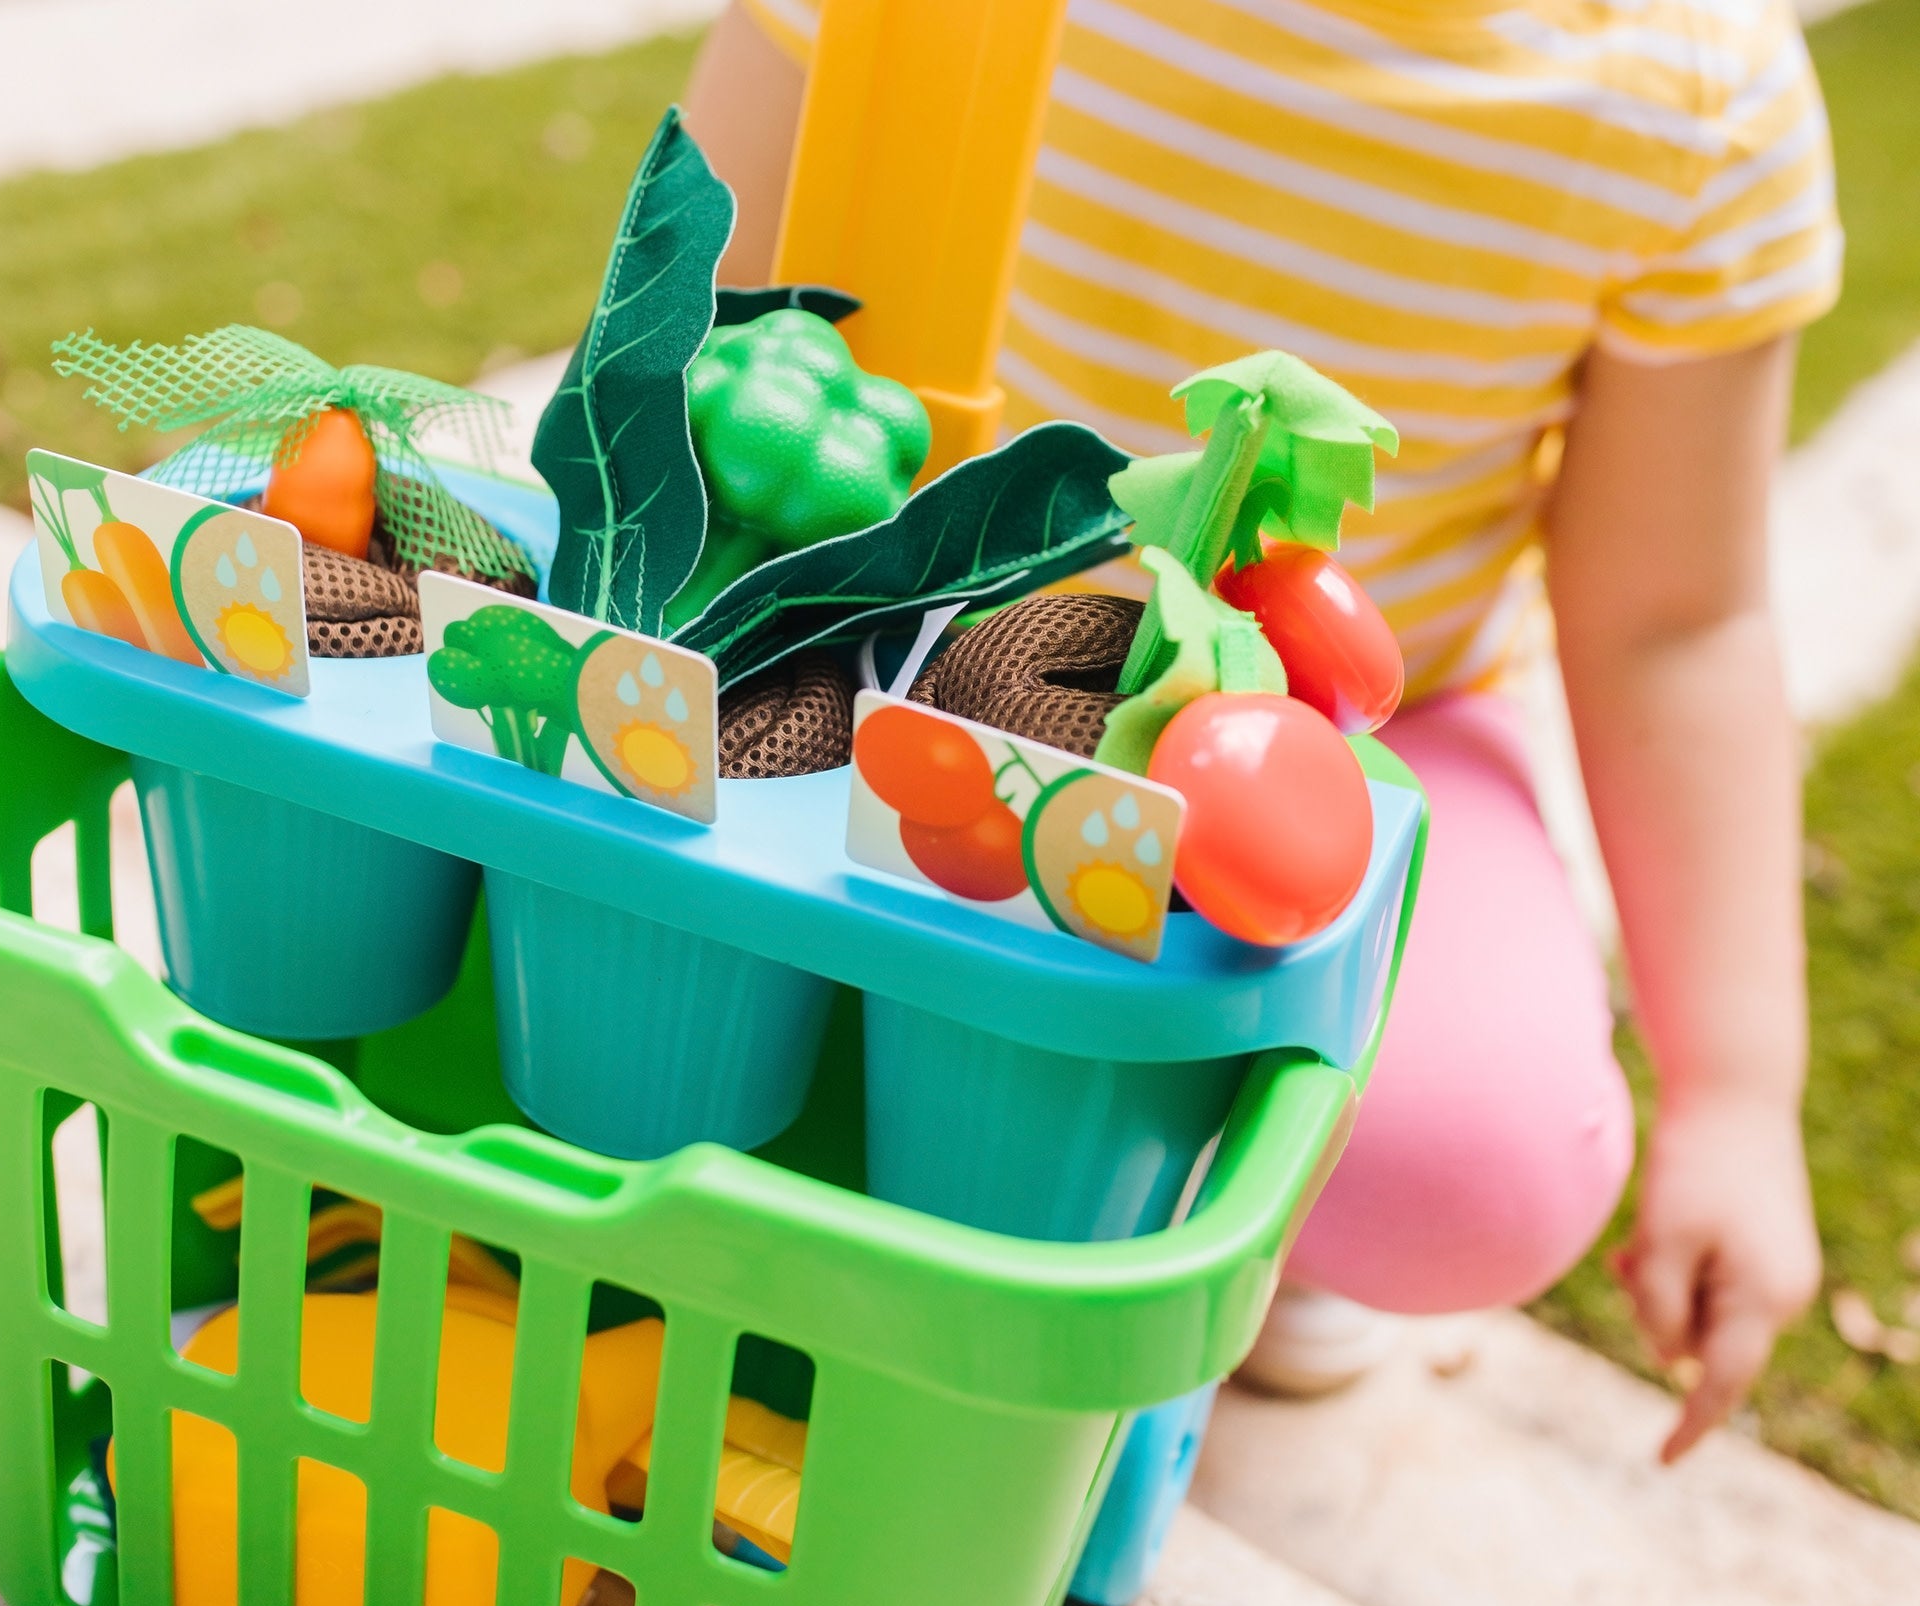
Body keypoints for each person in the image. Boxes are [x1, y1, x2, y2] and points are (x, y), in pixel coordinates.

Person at [685, 0, 1833, 1461]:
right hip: (893, 622)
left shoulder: (1692, 98)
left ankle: (1222, 1203)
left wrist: (1736, 1092)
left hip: (1342, 740)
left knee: (1469, 1167)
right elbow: (684, 319)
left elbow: (1672, 624)